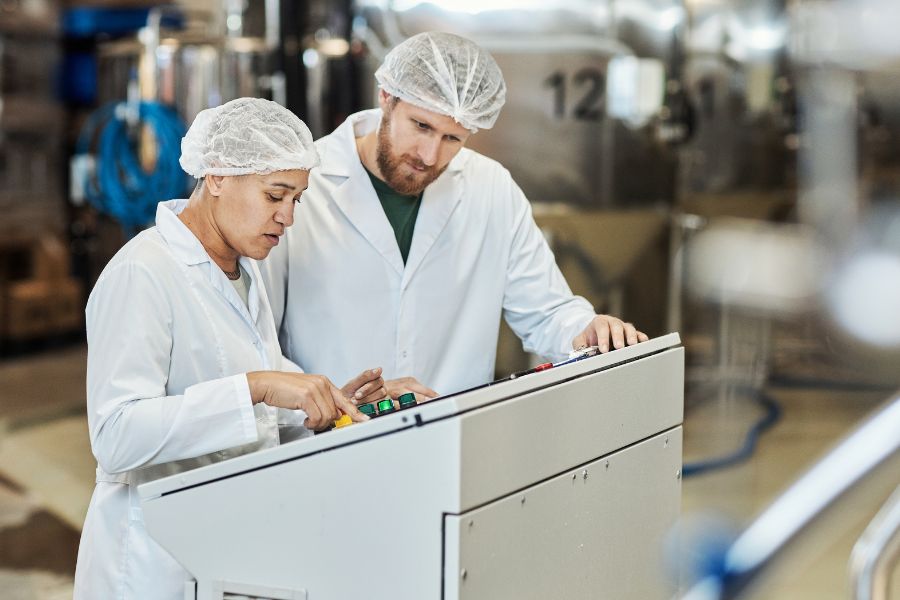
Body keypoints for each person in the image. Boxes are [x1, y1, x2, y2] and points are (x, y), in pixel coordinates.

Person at [73, 98, 386, 599]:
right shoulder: (143, 272)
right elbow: (115, 436)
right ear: (217, 177)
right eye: (274, 195)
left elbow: (257, 395)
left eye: (296, 200)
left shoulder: (244, 271)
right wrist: (256, 389)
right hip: (152, 562)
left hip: (222, 543)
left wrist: (325, 402)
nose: (287, 217)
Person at [261, 32, 648, 402]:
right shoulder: (301, 183)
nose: (429, 156)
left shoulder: (490, 188)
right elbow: (258, 339)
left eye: (453, 139)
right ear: (386, 97)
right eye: (422, 126)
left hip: (452, 439)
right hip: (325, 445)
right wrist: (324, 404)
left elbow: (547, 312)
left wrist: (587, 330)